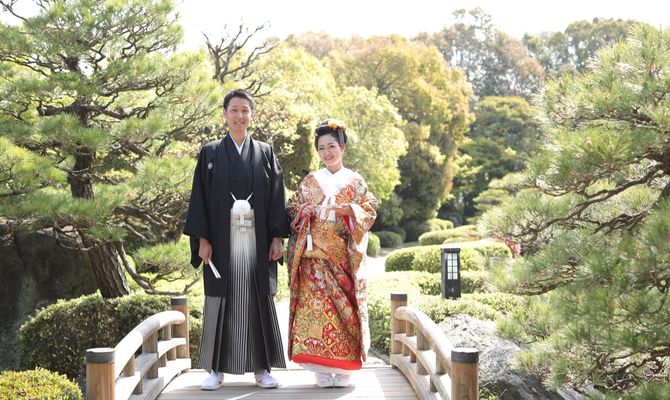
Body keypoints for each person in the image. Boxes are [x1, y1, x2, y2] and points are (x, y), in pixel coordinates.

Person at [183, 89, 289, 390]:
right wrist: (202, 239)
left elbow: (277, 196)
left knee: (257, 300)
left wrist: (277, 237)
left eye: (245, 110)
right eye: (234, 110)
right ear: (225, 114)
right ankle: (216, 370)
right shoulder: (210, 152)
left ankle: (262, 369)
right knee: (220, 300)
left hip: (257, 240)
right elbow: (200, 198)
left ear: (251, 115)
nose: (239, 116)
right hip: (221, 239)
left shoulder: (265, 152)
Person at [286, 118, 378, 388]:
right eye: (321, 148)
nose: (326, 152)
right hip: (313, 259)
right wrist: (304, 211)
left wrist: (351, 210)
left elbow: (369, 209)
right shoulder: (310, 181)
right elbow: (292, 207)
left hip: (343, 259)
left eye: (331, 146)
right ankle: (321, 371)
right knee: (315, 313)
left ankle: (345, 369)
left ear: (342, 147)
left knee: (345, 313)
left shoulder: (355, 181)